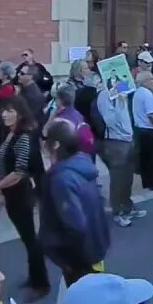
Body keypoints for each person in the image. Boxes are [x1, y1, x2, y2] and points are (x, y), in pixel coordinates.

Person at [0, 97, 50, 300]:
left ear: (20, 113)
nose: (5, 115)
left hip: (22, 192)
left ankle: (41, 283)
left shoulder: (23, 137)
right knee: (26, 238)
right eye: (4, 111)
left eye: (11, 111)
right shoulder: (9, 133)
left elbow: (19, 172)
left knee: (31, 239)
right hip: (12, 192)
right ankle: (34, 276)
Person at [40, 119, 111, 288]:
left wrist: (67, 261)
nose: (43, 143)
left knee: (86, 302)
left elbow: (76, 225)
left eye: (46, 138)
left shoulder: (61, 179)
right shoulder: (81, 165)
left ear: (55, 144)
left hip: (81, 261)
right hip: (94, 250)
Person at [96, 76, 141, 227]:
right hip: (115, 141)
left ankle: (127, 206)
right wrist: (119, 99)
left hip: (128, 138)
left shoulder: (124, 91)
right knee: (118, 178)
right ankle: (117, 212)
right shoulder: (104, 95)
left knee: (128, 176)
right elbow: (110, 120)